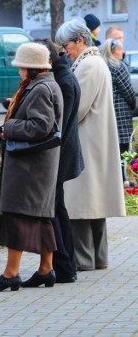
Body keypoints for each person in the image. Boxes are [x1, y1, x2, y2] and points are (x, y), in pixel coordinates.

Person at [0, 42, 63, 292]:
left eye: (20, 66)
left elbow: (40, 126)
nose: (18, 71)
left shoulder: (40, 88)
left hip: (30, 166)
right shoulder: (46, 84)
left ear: (31, 67)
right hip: (38, 164)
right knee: (41, 217)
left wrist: (9, 128)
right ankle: (46, 269)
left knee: (16, 216)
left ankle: (11, 274)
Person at [55, 18, 126, 272]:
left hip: (86, 141)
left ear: (80, 40)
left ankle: (83, 260)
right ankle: (99, 258)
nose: (65, 51)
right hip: (95, 141)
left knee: (82, 205)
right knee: (95, 205)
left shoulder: (88, 64)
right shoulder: (95, 62)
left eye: (66, 45)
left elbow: (78, 107)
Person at [35, 38, 85, 284]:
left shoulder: (62, 81)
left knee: (54, 210)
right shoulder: (64, 76)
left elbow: (57, 126)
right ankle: (67, 266)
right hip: (63, 152)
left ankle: (63, 266)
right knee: (58, 209)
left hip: (59, 155)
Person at [100, 38, 135, 162]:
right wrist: (134, 106)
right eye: (121, 49)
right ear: (113, 52)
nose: (123, 52)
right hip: (122, 118)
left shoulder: (102, 66)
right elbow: (129, 93)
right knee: (124, 154)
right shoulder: (118, 67)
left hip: (106, 115)